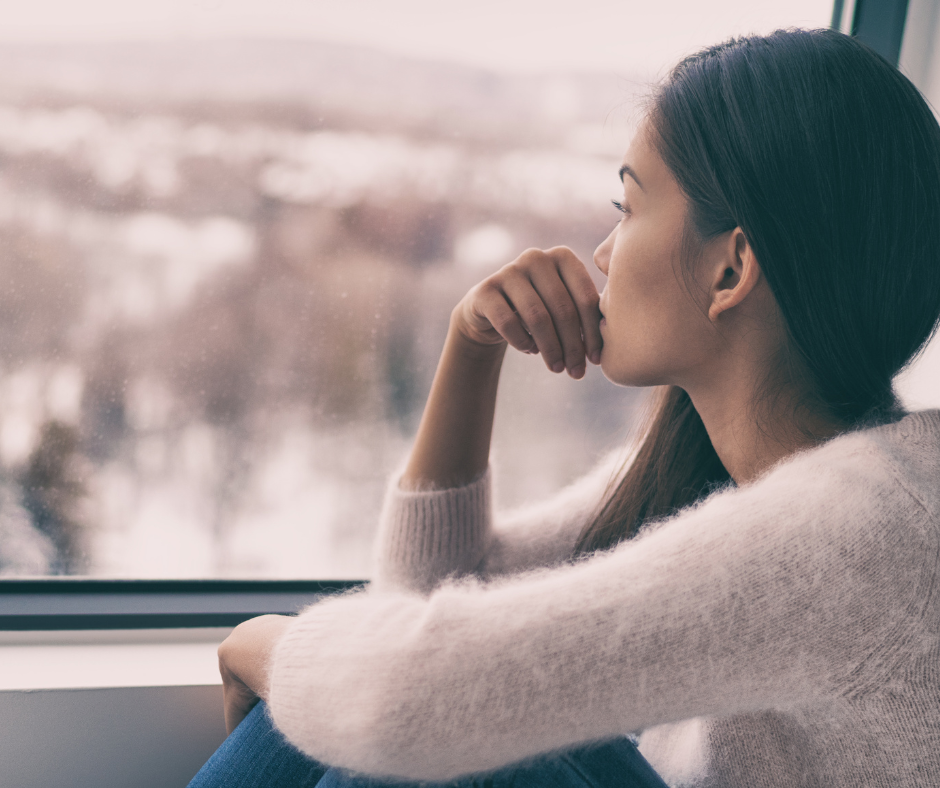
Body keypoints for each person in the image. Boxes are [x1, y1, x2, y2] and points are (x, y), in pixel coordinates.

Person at [189, 27, 940, 788]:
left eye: (630, 207)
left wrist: (267, 646)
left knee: (413, 732)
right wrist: (470, 349)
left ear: (731, 268)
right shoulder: (727, 467)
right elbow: (427, 602)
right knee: (377, 719)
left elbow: (400, 698)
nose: (605, 253)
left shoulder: (864, 530)